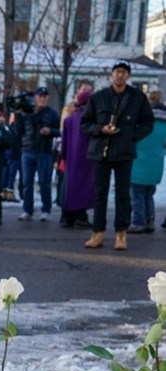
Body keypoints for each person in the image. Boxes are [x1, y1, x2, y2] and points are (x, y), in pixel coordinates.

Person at [80, 61, 154, 250]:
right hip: (100, 151)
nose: (120, 75)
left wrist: (130, 136)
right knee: (100, 194)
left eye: (123, 72)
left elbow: (148, 123)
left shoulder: (137, 98)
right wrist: (100, 129)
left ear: (128, 76)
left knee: (123, 194)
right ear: (111, 75)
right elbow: (85, 124)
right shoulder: (98, 97)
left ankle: (121, 234)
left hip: (124, 151)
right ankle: (98, 233)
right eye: (117, 72)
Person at [14, 86, 61, 221]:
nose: (43, 98)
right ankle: (27, 210)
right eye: (40, 96)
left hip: (44, 151)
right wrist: (18, 115)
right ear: (35, 97)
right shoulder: (26, 112)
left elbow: (59, 131)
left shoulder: (52, 113)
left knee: (44, 182)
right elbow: (18, 131)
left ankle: (46, 210)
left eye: (45, 96)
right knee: (26, 182)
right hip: (27, 150)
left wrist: (50, 131)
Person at [127, 89, 166, 234]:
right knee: (149, 194)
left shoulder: (141, 121)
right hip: (156, 162)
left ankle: (139, 222)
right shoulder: (164, 123)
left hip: (139, 161)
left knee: (137, 194)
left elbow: (133, 138)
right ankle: (150, 221)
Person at [59, 87, 95, 229]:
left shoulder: (69, 119)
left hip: (71, 158)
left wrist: (64, 156)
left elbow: (65, 141)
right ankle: (80, 216)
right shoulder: (91, 118)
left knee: (70, 186)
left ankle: (67, 217)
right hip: (87, 158)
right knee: (84, 187)